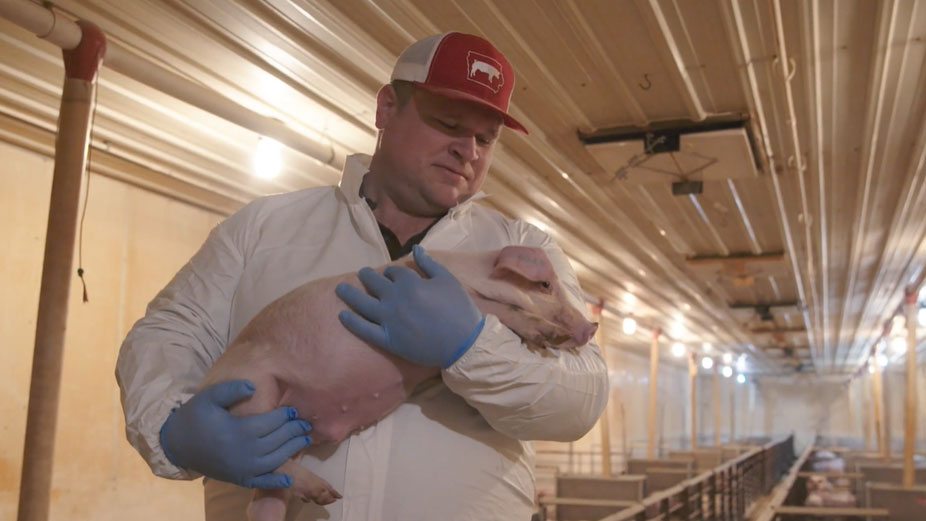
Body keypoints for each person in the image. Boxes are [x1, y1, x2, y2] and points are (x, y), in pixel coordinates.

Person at [116, 31, 609, 521]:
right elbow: (168, 334)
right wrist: (172, 429)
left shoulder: (522, 253)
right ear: (387, 109)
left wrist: (472, 347)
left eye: (486, 138)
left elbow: (581, 398)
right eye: (448, 123)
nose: (469, 150)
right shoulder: (264, 229)